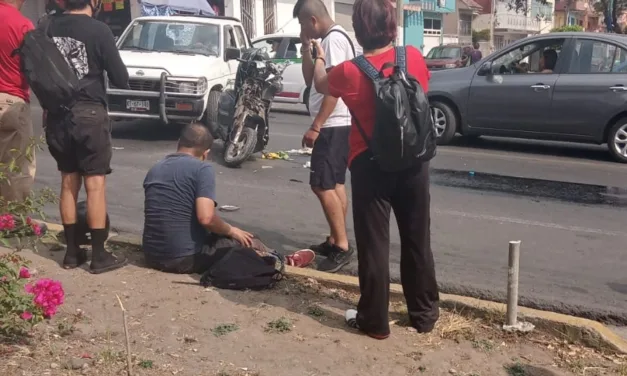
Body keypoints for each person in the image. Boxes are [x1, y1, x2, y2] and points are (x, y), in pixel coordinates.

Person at [311, 0, 439, 339]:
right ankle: (424, 315)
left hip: (370, 165)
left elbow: (321, 84)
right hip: (414, 162)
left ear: (358, 29)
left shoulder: (351, 71)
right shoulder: (412, 56)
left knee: (374, 247)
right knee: (417, 241)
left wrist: (320, 56)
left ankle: (374, 321)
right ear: (392, 26)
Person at [45, 0, 130, 273]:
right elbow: (120, 77)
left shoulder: (46, 27)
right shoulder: (98, 30)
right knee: (95, 184)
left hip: (57, 115)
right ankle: (98, 256)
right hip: (89, 114)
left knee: (68, 180)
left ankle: (71, 253)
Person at [142, 123, 282, 273]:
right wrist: (231, 230)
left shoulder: (156, 168)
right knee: (248, 239)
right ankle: (281, 260)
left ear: (179, 143)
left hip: (151, 255)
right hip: (183, 258)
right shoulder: (202, 169)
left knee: (217, 233)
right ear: (206, 153)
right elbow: (206, 218)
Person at [293, 0, 355, 273]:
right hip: (337, 124)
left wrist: (316, 125)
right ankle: (335, 238)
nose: (302, 28)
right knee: (335, 183)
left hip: (333, 124)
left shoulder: (334, 42)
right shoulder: (326, 42)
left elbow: (334, 90)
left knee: (322, 185)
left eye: (302, 24)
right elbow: (311, 80)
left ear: (312, 21)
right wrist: (306, 47)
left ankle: (341, 245)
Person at [0, 0, 35, 203]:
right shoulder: (22, 25)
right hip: (13, 100)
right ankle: (12, 222)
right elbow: (35, 69)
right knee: (17, 166)